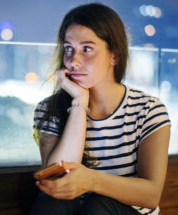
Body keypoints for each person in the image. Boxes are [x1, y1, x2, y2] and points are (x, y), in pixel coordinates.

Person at [29, 3, 171, 215]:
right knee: (53, 202)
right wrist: (79, 102)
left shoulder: (148, 110)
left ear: (114, 55)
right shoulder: (48, 109)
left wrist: (91, 181)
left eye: (87, 49)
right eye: (69, 49)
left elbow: (150, 195)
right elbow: (56, 182)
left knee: (98, 206)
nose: (74, 62)